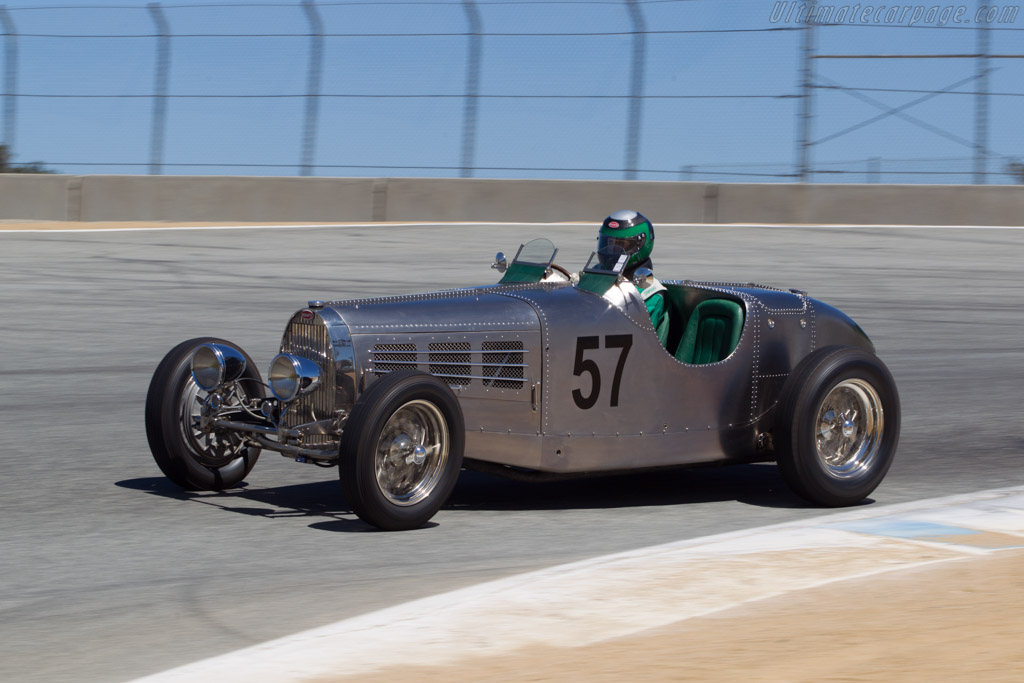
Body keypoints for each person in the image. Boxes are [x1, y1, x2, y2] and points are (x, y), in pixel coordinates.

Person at [597, 210, 669, 347]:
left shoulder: (650, 293)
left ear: (640, 244)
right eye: (608, 244)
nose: (611, 251)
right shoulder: (594, 274)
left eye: (621, 246)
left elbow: (640, 345)